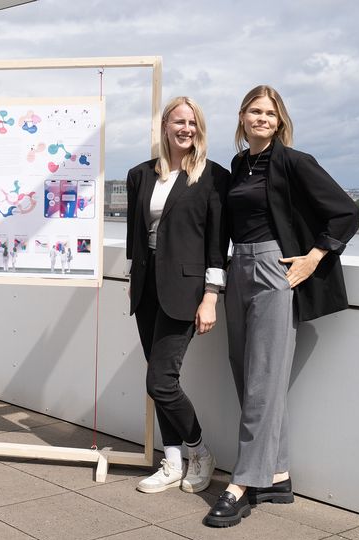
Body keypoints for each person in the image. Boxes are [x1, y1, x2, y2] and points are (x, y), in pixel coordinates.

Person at [204, 85, 359, 528]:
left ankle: (243, 484)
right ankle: (277, 475)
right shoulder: (239, 164)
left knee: (264, 379)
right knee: (244, 370)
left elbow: (345, 212)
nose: (262, 119)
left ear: (280, 121)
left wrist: (314, 256)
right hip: (238, 268)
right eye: (255, 111)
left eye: (270, 113)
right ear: (242, 116)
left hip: (275, 269)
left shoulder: (294, 161)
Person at [126, 97, 228, 496]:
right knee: (158, 382)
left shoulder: (213, 176)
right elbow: (136, 237)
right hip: (146, 288)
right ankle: (171, 461)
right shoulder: (140, 174)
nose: (186, 128)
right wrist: (133, 279)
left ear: (199, 129)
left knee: (161, 381)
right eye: (178, 121)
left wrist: (210, 296)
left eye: (192, 122)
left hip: (185, 290)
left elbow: (218, 244)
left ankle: (199, 452)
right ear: (164, 126)